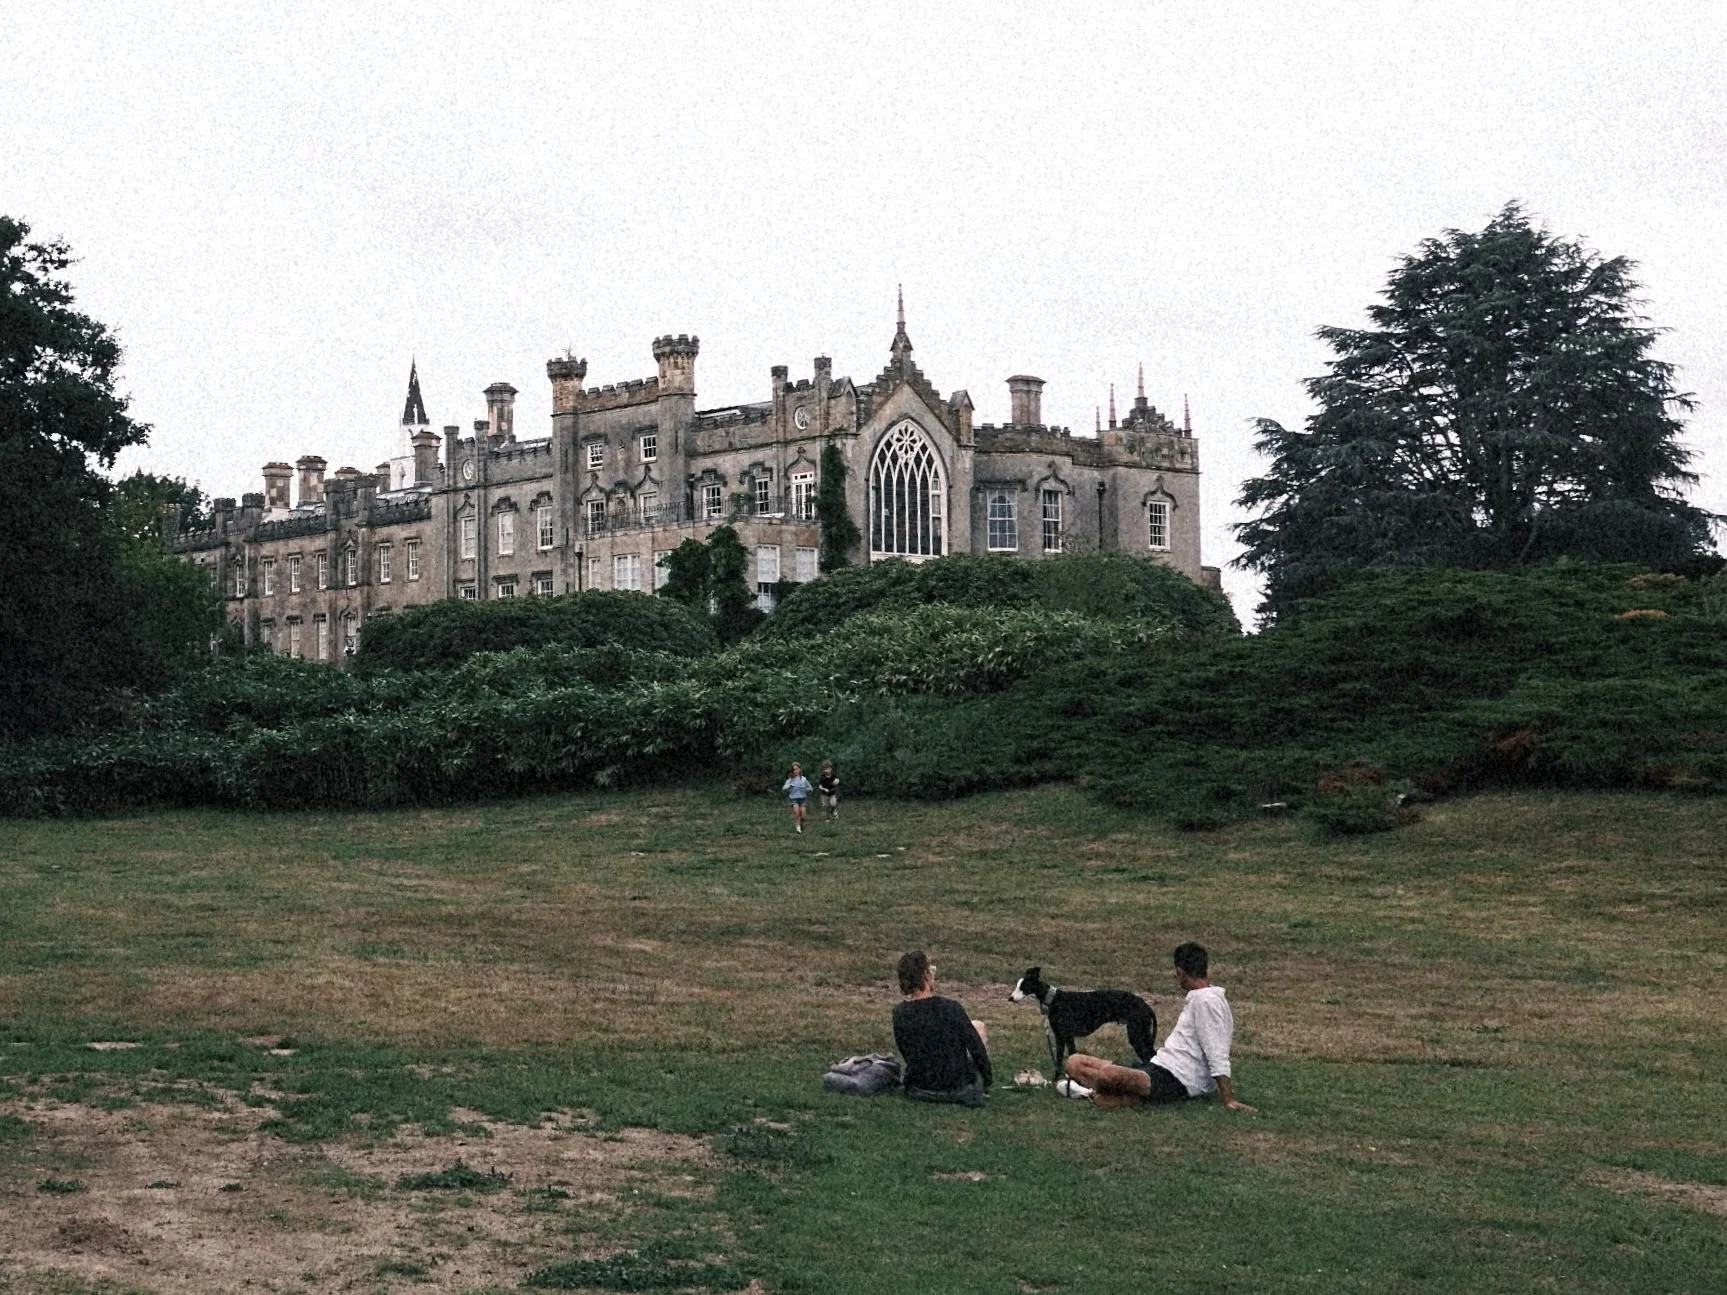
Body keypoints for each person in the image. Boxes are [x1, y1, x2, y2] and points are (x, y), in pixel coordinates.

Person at [1060, 942, 1254, 1111]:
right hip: (1159, 1065)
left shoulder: (1206, 1002)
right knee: (1074, 1062)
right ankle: (1118, 1095)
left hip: (1180, 1079)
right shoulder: (1201, 998)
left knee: (1108, 1074)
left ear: (1180, 972)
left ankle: (1099, 1093)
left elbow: (1216, 1051)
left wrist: (1228, 1098)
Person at [891, 950, 992, 1107]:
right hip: (956, 1087)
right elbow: (976, 1048)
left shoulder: (899, 1013)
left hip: (919, 1087)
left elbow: (905, 1051)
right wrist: (986, 1079)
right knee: (978, 1027)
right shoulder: (950, 1008)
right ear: (926, 975)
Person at [782, 762, 812, 833]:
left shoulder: (804, 779)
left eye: (797, 769)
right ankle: (798, 827)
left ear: (800, 770)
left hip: (803, 799)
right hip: (794, 799)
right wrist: (789, 786)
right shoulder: (790, 780)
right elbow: (784, 788)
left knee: (803, 815)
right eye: (794, 770)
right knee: (796, 812)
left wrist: (807, 790)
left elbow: (810, 789)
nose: (795, 771)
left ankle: (800, 823)